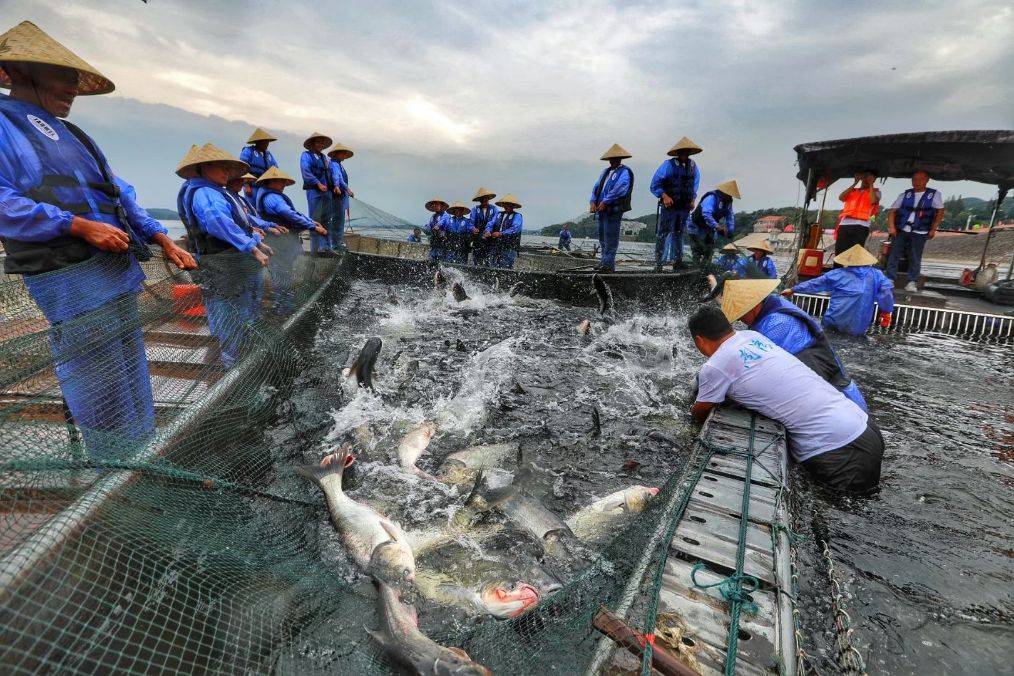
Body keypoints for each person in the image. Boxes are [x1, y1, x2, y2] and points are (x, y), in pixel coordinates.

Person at [0, 21, 197, 459]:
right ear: (18, 71)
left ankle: (142, 455)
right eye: (61, 75)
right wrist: (77, 225)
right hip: (67, 274)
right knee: (98, 375)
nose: (71, 88)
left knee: (130, 365)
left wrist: (161, 237)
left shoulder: (74, 135)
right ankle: (112, 466)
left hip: (115, 270)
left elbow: (117, 192)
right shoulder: (3, 124)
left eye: (75, 78)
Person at [687, 305, 884, 493]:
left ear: (699, 340)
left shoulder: (715, 366)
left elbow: (700, 412)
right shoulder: (753, 336)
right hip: (863, 425)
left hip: (837, 450)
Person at [175, 144, 269, 367]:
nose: (227, 172)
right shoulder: (205, 193)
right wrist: (252, 247)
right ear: (204, 167)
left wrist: (256, 241)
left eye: (229, 168)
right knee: (227, 309)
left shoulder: (214, 191)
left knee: (227, 305)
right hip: (220, 262)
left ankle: (236, 352)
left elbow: (241, 223)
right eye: (221, 167)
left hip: (224, 261)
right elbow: (219, 222)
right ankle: (232, 362)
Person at [720, 279, 867, 411]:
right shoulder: (774, 307)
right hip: (834, 396)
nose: (740, 319)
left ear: (755, 305)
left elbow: (757, 370)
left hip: (842, 404)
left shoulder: (776, 325)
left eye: (741, 314)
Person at [255, 166, 327, 315]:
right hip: (278, 242)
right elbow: (287, 213)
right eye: (281, 181)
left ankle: (285, 306)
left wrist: (310, 221)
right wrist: (312, 227)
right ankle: (283, 309)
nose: (283, 185)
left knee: (285, 273)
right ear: (271, 182)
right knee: (281, 274)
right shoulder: (272, 198)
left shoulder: (275, 196)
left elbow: (295, 212)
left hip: (285, 242)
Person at [783, 244, 894, 336]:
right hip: (858, 327)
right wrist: (886, 311)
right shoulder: (877, 275)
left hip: (834, 321)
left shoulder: (838, 274)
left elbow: (815, 284)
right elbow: (886, 293)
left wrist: (793, 290)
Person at [649, 136, 701, 271]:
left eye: (686, 151)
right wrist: (664, 196)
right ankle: (659, 263)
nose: (684, 154)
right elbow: (654, 185)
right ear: (677, 152)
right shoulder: (668, 165)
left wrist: (693, 200)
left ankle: (678, 261)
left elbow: (695, 185)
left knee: (679, 233)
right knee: (663, 233)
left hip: (684, 207)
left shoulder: (693, 166)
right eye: (682, 151)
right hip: (669, 206)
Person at [886, 171, 943, 291]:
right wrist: (892, 227)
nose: (917, 182)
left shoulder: (934, 195)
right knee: (894, 254)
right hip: (901, 229)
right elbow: (892, 211)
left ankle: (912, 281)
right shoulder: (905, 194)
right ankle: (890, 279)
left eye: (921, 179)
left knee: (915, 256)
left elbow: (940, 212)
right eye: (915, 179)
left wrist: (933, 229)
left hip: (920, 231)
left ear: (927, 180)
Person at [589, 143, 634, 273]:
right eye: (611, 159)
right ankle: (604, 261)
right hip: (602, 210)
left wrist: (606, 201)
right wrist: (593, 201)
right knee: (602, 237)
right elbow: (596, 187)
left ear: (620, 159)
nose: (612, 161)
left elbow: (620, 188)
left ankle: (608, 264)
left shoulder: (624, 172)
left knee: (611, 237)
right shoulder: (605, 172)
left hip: (613, 210)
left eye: (615, 159)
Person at [299, 131, 340, 255]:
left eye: (322, 143)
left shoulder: (324, 158)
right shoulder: (306, 156)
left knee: (327, 219)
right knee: (315, 220)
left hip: (326, 192)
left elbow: (331, 173)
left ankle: (326, 247)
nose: (321, 145)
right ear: (312, 143)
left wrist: (336, 185)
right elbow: (306, 172)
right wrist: (317, 183)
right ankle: (314, 250)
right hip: (314, 191)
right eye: (318, 142)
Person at [687, 180, 739, 269]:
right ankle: (695, 268)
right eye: (729, 194)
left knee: (710, 248)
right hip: (696, 225)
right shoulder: (711, 198)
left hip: (709, 227)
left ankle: (705, 269)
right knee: (697, 248)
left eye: (731, 195)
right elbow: (706, 214)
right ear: (724, 192)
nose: (730, 197)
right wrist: (717, 226)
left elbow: (730, 217)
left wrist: (730, 230)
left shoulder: (728, 203)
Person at [835, 170, 880, 257]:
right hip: (845, 224)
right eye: (865, 177)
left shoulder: (876, 192)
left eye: (869, 177)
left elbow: (873, 201)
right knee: (840, 251)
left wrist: (871, 184)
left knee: (855, 253)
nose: (866, 179)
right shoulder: (853, 191)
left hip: (861, 225)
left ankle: (852, 266)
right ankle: (837, 266)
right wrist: (855, 183)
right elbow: (841, 197)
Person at [327, 143, 354, 250]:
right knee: (337, 220)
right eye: (342, 153)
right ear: (336, 154)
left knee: (339, 219)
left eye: (345, 154)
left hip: (341, 195)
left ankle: (336, 242)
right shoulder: (334, 164)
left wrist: (347, 190)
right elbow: (337, 177)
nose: (344, 156)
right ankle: (335, 244)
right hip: (337, 195)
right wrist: (338, 186)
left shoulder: (339, 164)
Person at [485, 194, 524, 269]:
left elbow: (515, 228)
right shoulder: (498, 214)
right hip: (496, 245)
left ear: (513, 206)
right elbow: (490, 223)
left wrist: (500, 233)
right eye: (505, 204)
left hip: (509, 246)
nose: (507, 206)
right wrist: (488, 231)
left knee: (506, 267)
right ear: (503, 205)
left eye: (509, 204)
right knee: (492, 265)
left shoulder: (517, 216)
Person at [238, 128, 279, 196]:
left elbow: (275, 170)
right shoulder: (248, 151)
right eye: (264, 142)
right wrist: (246, 185)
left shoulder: (268, 155)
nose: (267, 144)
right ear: (258, 142)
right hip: (252, 186)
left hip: (265, 187)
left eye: (267, 142)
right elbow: (242, 167)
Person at [468, 187, 499, 266]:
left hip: (490, 237)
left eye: (486, 198)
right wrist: (473, 228)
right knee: (477, 259)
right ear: (480, 199)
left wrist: (488, 230)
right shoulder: (475, 209)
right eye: (482, 198)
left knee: (490, 260)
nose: (484, 200)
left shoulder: (494, 209)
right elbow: (471, 223)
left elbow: (493, 221)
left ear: (488, 198)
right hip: (478, 238)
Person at [424, 198, 450, 262]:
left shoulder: (446, 215)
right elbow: (429, 225)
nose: (435, 206)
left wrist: (438, 226)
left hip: (443, 239)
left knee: (441, 258)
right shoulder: (433, 216)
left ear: (441, 206)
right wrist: (426, 228)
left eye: (437, 205)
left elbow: (443, 222)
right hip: (434, 239)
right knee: (432, 256)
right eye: (434, 205)